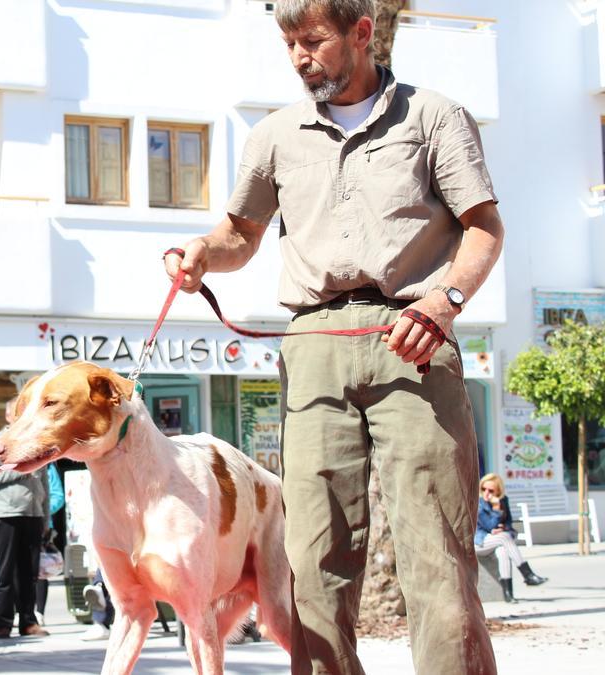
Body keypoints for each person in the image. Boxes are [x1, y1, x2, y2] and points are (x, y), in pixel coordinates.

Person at [164, 1, 505, 671]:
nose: (297, 55)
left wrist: (446, 299)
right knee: (314, 563)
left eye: (312, 39)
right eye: (288, 41)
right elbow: (240, 235)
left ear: (361, 32)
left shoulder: (435, 116)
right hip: (314, 343)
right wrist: (204, 250)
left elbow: (484, 227)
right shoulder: (275, 135)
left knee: (436, 559)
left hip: (413, 334)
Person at [0, 398, 50, 640]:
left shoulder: (36, 441)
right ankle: (3, 622)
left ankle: (28, 621)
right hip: (7, 513)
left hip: (33, 513)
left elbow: (45, 483)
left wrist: (46, 518)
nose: (20, 416)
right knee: (6, 571)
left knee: (29, 572)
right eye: (16, 412)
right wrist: (13, 470)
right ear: (8, 416)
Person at [475, 473, 548, 603]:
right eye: (483, 489)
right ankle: (527, 574)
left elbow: (508, 523)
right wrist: (497, 509)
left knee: (503, 551)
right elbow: (488, 525)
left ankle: (508, 594)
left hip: (497, 541)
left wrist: (502, 528)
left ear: (498, 490)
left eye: (491, 490)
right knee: (504, 538)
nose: (486, 493)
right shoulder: (479, 503)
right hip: (480, 542)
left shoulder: (504, 500)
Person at [34, 464, 65, 626]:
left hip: (43, 523)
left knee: (41, 568)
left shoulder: (48, 466)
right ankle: (23, 610)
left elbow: (58, 495)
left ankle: (39, 612)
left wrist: (43, 509)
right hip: (20, 518)